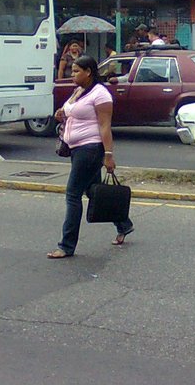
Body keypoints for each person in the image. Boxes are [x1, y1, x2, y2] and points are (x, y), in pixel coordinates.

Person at [48, 54, 132, 258]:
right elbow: (71, 110)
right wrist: (62, 112)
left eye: (77, 71)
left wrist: (108, 155)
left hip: (91, 149)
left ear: (89, 72)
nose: (72, 74)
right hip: (76, 148)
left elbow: (105, 126)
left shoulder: (100, 95)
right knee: (92, 191)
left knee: (72, 194)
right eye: (72, 70)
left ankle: (66, 246)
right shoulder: (79, 90)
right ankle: (124, 224)